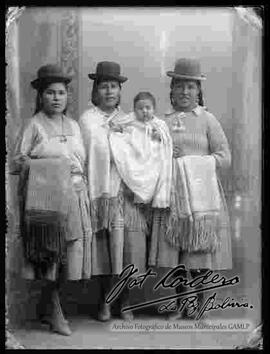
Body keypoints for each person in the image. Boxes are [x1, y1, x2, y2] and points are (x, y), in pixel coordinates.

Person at [148, 58, 232, 320]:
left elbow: (224, 157)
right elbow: (149, 159)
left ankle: (200, 303)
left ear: (198, 91)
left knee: (200, 253)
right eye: (180, 86)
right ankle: (180, 302)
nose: (185, 92)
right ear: (171, 90)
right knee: (177, 253)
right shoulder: (163, 121)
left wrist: (194, 163)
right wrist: (163, 154)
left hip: (202, 196)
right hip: (174, 196)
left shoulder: (208, 120)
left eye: (191, 87)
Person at [12, 64, 92, 336]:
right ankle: (55, 310)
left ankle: (48, 304)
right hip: (45, 198)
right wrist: (50, 165)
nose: (57, 98)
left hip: (75, 195)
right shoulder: (33, 125)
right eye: (50, 93)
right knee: (50, 254)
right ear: (41, 96)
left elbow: (81, 160)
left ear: (67, 96)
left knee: (69, 254)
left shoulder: (73, 125)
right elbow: (17, 162)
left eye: (61, 93)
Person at [80, 62, 154, 321]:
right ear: (96, 90)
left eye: (114, 86)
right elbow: (84, 156)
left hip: (127, 193)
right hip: (100, 195)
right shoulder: (87, 121)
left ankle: (127, 302)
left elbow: (144, 154)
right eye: (104, 86)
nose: (109, 91)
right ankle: (104, 302)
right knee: (104, 253)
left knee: (130, 251)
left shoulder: (130, 119)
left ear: (120, 90)